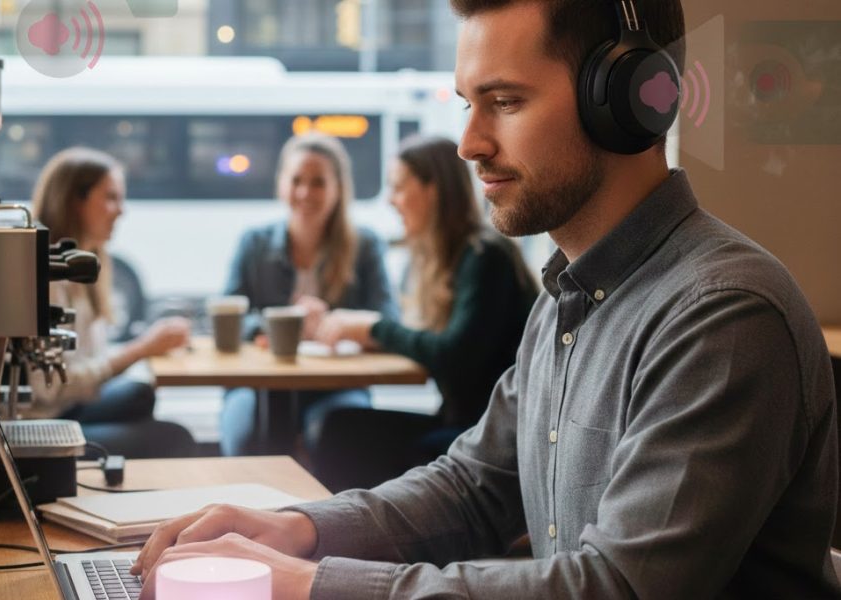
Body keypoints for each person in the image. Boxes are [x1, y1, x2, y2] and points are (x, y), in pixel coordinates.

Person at [133, 0, 840, 597]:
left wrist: (313, 583)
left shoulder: (723, 314)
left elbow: (618, 586)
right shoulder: (568, 296)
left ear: (626, 98)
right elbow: (474, 484)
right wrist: (302, 528)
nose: (469, 143)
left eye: (505, 102)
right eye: (470, 104)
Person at [311, 135, 538, 491]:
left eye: (399, 187)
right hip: (462, 422)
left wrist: (372, 328)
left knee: (343, 434)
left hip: (490, 435)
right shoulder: (449, 258)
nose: (390, 200)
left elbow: (453, 357)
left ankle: (354, 539)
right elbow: (437, 345)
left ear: (434, 190)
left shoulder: (484, 256)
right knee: (338, 425)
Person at [220, 132, 398, 456]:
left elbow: (389, 321)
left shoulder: (364, 244)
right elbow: (229, 318)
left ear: (338, 188)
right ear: (281, 184)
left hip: (336, 384)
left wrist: (337, 324)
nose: (305, 192)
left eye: (318, 182)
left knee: (338, 436)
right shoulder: (254, 243)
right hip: (258, 383)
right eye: (296, 180)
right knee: (245, 435)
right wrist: (281, 325)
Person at [30, 147, 198, 458]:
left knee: (140, 395)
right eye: (110, 198)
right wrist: (142, 348)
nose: (121, 211)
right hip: (46, 421)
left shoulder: (92, 266)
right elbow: (50, 389)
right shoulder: (48, 278)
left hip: (71, 407)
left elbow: (85, 365)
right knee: (176, 437)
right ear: (74, 201)